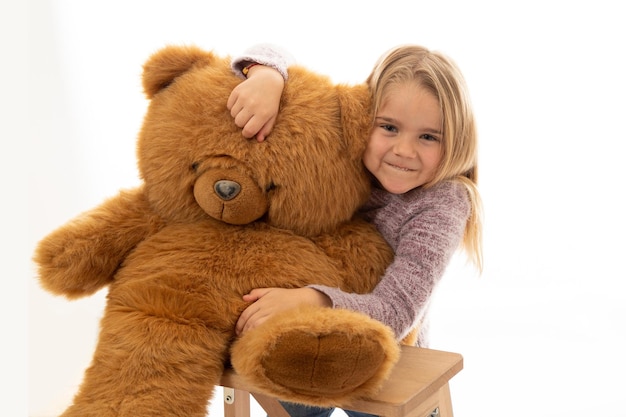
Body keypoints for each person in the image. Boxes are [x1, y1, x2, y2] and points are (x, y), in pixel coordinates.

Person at [227, 44, 483, 417]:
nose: (404, 150)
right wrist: (268, 76)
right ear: (364, 119)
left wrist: (311, 300)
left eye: (428, 137)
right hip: (307, 339)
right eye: (389, 127)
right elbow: (281, 60)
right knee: (280, 379)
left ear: (456, 140)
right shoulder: (344, 152)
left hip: (390, 354)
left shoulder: (443, 202)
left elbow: (395, 312)